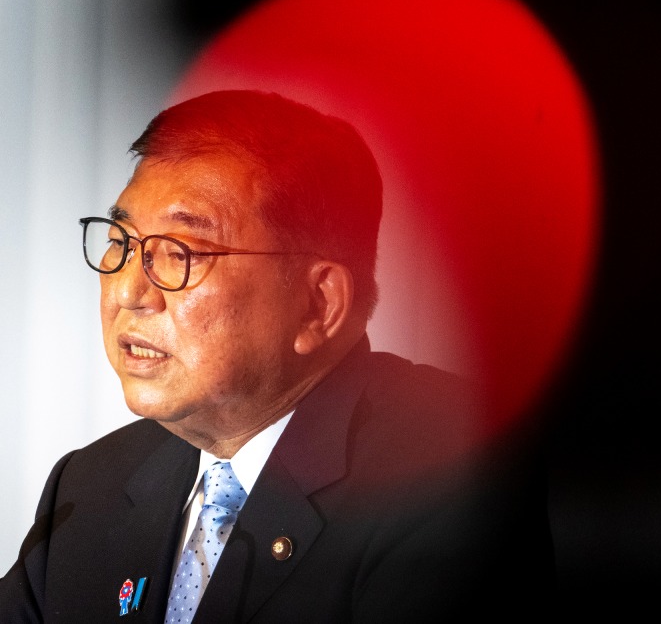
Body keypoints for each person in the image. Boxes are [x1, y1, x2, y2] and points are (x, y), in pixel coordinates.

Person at [0, 90, 553, 622]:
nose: (127, 292)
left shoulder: (446, 474)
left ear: (318, 305)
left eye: (180, 252)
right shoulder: (88, 488)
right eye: (121, 243)